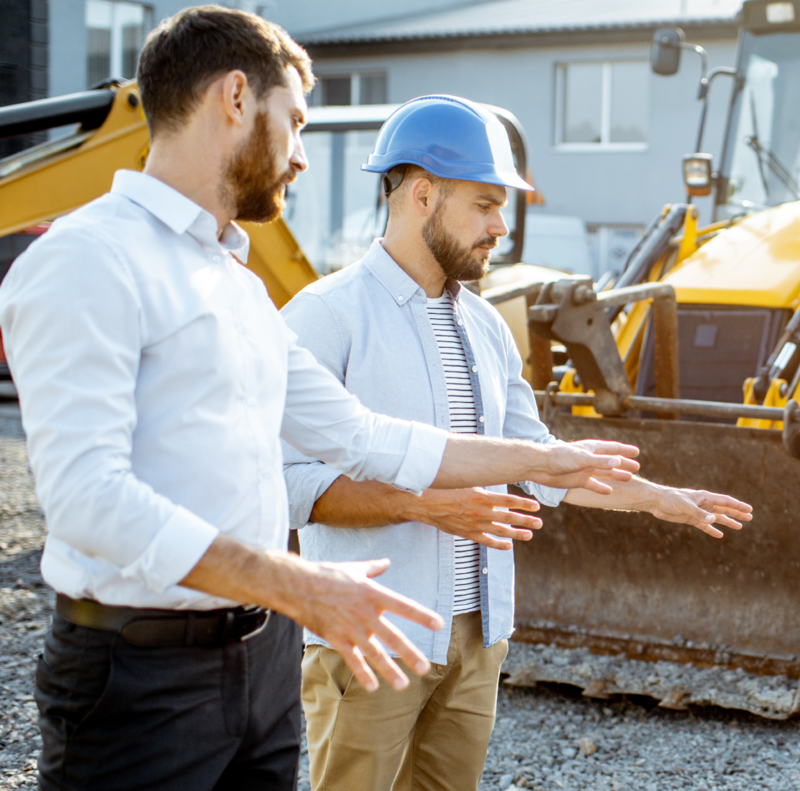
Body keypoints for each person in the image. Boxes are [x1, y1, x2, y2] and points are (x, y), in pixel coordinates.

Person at [0, 10, 649, 791]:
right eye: (296, 123)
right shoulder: (88, 260)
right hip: (139, 676)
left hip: (261, 659)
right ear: (236, 98)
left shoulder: (238, 287)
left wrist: (549, 459)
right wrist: (304, 585)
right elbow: (89, 503)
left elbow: (362, 433)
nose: (302, 156)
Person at [281, 95, 754, 791]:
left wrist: (659, 499)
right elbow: (291, 487)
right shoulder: (325, 318)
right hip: (372, 638)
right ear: (422, 195)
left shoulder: (485, 327)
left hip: (478, 639)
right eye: (484, 205)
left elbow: (540, 464)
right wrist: (425, 506)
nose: (500, 227)